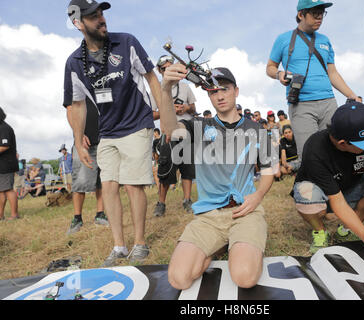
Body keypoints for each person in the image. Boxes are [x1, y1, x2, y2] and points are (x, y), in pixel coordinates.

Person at [160, 64, 277, 290]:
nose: (220, 96)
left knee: (244, 277)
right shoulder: (199, 127)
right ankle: (221, 244)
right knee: (179, 278)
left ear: (236, 91)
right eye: (213, 92)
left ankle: (238, 241)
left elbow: (269, 170)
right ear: (209, 96)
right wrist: (166, 89)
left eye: (224, 89)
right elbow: (170, 131)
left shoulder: (258, 130)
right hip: (209, 216)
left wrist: (258, 195)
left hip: (245, 211)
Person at [65, 0, 162, 267]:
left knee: (132, 184)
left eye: (100, 13)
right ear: (78, 23)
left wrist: (167, 117)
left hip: (136, 123)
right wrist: (78, 140)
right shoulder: (74, 62)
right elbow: (76, 104)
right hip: (107, 132)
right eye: (92, 16)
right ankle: (119, 246)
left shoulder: (127, 42)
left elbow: (152, 78)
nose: (101, 18)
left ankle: (140, 242)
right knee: (108, 185)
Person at [291, 102, 364, 260]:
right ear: (343, 143)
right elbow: (337, 202)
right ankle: (320, 231)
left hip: (351, 187)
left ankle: (346, 228)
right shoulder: (315, 149)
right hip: (323, 197)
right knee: (306, 194)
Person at [267, 0, 359, 158]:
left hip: (329, 102)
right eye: (315, 13)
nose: (319, 17)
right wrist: (279, 74)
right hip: (301, 105)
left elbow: (333, 73)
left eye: (322, 13)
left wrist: (352, 95)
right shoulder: (283, 39)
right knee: (310, 154)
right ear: (301, 14)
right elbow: (270, 67)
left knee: (337, 149)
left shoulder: (325, 40)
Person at [154, 56, 197, 217]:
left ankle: (187, 200)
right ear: (160, 71)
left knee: (187, 167)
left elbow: (193, 108)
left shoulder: (185, 87)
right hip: (168, 133)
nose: (168, 70)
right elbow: (152, 114)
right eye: (164, 68)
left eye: (171, 67)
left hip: (186, 131)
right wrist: (168, 109)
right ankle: (161, 203)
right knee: (165, 168)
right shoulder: (157, 89)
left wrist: (185, 108)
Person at [64, 95, 108, 235]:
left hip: (105, 140)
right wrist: (79, 134)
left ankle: (100, 214)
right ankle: (77, 218)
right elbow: (70, 111)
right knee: (80, 182)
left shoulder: (102, 82)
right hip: (83, 143)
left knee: (103, 181)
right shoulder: (75, 85)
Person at [0, 107, 20, 221]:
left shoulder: (4, 128)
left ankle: (14, 215)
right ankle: (1, 215)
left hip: (6, 164)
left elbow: (4, 146)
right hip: (2, 165)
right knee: (1, 190)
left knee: (8, 190)